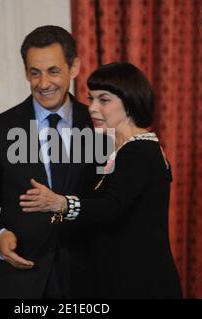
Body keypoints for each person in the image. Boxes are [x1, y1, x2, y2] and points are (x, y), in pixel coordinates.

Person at [19, 62, 183, 298]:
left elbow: (110, 207)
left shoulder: (141, 151)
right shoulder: (109, 149)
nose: (93, 108)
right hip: (110, 282)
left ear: (129, 102)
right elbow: (87, 205)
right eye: (91, 99)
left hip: (142, 284)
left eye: (104, 100)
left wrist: (61, 203)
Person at [0, 25, 95, 298]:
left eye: (53, 71)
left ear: (74, 67)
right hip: (23, 279)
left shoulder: (99, 126)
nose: (43, 83)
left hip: (88, 279)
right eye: (35, 73)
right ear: (26, 72)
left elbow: (113, 200)